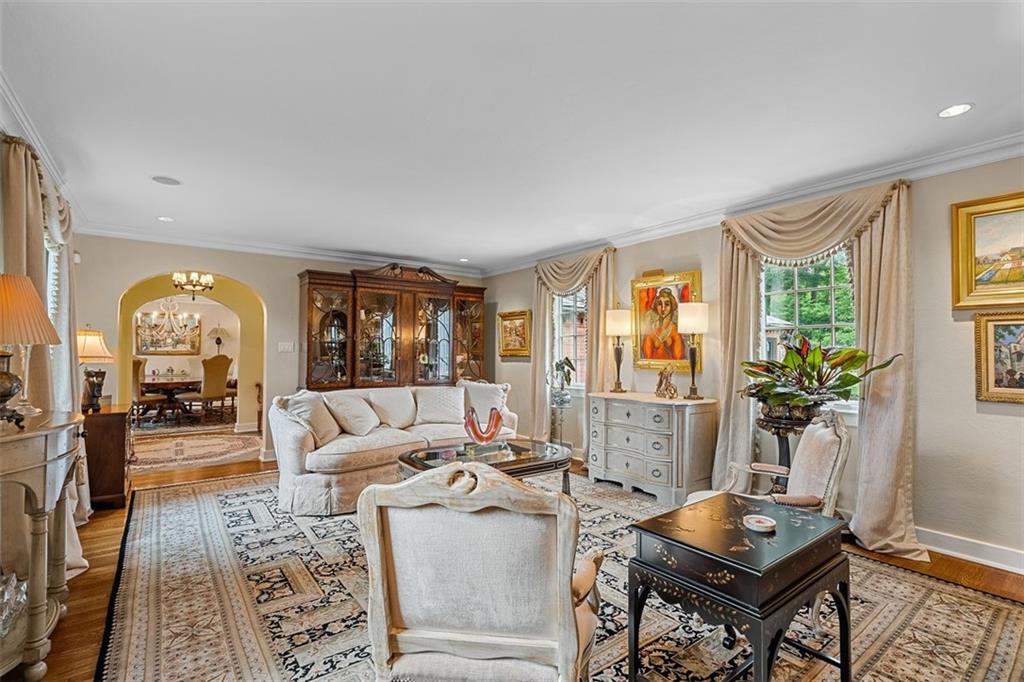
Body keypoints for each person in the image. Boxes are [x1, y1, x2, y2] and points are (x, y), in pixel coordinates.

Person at [641, 287, 685, 361]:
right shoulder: (650, 331)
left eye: (667, 304)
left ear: (672, 306)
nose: (663, 308)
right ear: (656, 305)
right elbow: (647, 359)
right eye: (660, 304)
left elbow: (678, 360)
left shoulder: (674, 330)